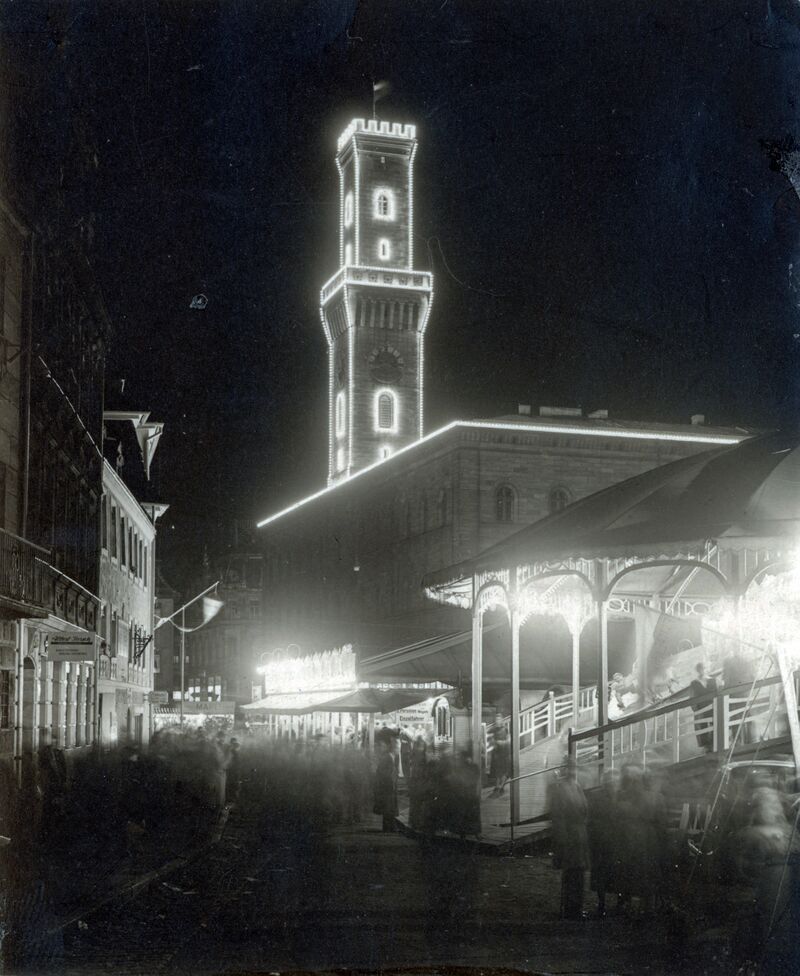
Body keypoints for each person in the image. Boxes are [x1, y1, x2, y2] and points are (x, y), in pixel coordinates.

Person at [549, 756, 590, 919]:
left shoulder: (577, 786)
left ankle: (577, 908)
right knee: (570, 873)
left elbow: (584, 810)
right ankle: (569, 909)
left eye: (574, 767)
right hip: (569, 836)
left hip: (579, 835)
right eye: (569, 767)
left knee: (579, 873)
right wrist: (562, 839)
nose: (572, 770)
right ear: (564, 769)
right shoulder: (560, 788)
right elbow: (558, 816)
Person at [587, 769, 620, 916]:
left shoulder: (619, 796)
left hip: (613, 840)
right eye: (609, 781)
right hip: (602, 840)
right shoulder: (597, 796)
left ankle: (616, 903)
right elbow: (590, 818)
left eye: (613, 781)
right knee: (601, 872)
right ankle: (602, 903)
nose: (611, 783)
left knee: (615, 871)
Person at [689, 662, 717, 752]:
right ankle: (707, 748)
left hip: (713, 707)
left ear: (706, 669)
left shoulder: (712, 680)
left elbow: (717, 693)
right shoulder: (694, 683)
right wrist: (696, 710)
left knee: (715, 725)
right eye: (700, 669)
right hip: (701, 709)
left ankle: (715, 745)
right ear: (697, 670)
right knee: (703, 727)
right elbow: (692, 698)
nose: (702, 670)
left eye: (704, 668)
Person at [373, 740, 398, 832]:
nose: (398, 749)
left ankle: (388, 827)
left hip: (387, 786)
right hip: (387, 786)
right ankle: (389, 827)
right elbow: (385, 773)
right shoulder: (387, 757)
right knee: (388, 807)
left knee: (388, 807)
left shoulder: (388, 757)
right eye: (396, 747)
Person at [490, 725, 510, 797]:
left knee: (503, 772)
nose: (500, 734)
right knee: (498, 772)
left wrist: (499, 742)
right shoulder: (495, 732)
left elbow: (507, 742)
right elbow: (492, 744)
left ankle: (501, 787)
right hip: (498, 756)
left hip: (504, 756)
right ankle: (498, 786)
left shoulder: (506, 734)